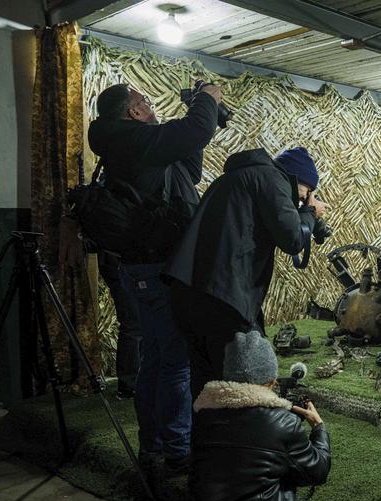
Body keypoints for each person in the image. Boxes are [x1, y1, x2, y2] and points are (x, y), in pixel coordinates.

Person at [88, 82, 222, 473]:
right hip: (159, 267)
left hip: (140, 267)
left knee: (156, 359)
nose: (149, 106)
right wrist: (206, 98)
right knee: (175, 363)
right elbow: (196, 131)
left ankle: (154, 446)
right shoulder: (134, 140)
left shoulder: (130, 145)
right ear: (133, 111)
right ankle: (177, 450)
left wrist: (194, 116)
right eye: (145, 102)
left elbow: (189, 169)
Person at [165, 147, 328, 398]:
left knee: (204, 383)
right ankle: (234, 434)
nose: (305, 198)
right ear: (298, 180)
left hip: (190, 291)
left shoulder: (240, 177)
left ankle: (203, 434)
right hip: (221, 297)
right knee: (235, 381)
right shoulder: (272, 180)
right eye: (306, 192)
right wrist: (309, 213)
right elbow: (293, 238)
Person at [189, 330, 349, 501]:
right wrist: (318, 427)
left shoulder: (203, 415)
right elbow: (318, 470)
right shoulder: (281, 423)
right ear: (271, 381)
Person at [98, 250, 140, 399]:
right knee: (133, 323)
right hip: (118, 260)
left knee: (134, 323)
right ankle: (128, 385)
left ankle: (130, 383)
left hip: (120, 260)